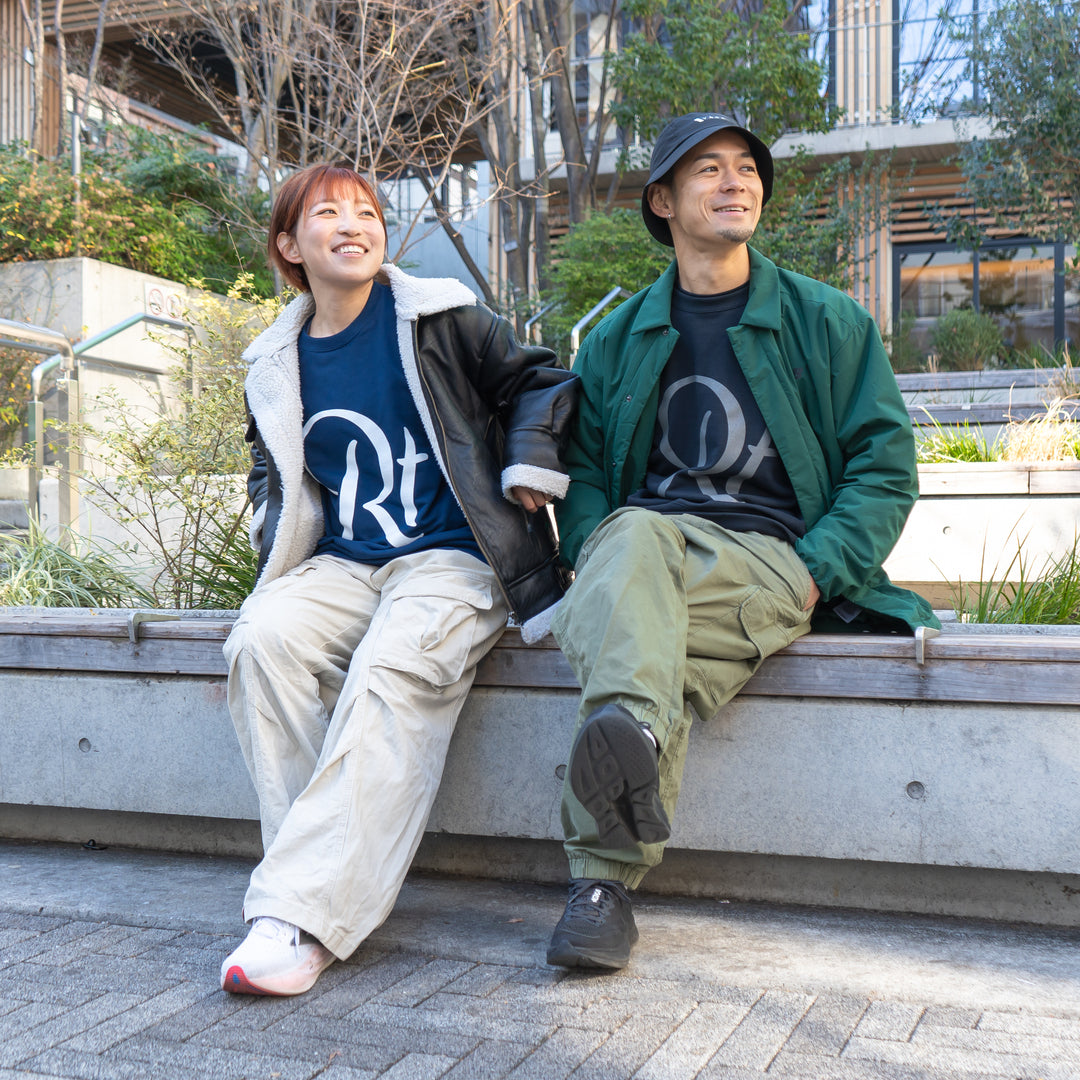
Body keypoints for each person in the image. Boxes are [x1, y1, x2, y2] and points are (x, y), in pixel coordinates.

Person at [544, 113, 938, 970]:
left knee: (634, 582)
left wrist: (815, 572)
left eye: (748, 170)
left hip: (769, 560)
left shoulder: (825, 321)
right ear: (662, 200)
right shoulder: (618, 339)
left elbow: (884, 467)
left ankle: (601, 871)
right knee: (640, 575)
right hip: (641, 555)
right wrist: (591, 553)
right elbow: (581, 481)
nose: (737, 183)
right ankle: (613, 841)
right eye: (709, 170)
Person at [219, 163, 578, 996]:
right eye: (328, 214)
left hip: (456, 555)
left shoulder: (438, 316)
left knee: (390, 670)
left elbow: (541, 380)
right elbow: (269, 468)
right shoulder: (275, 359)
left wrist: (530, 461)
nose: (354, 225)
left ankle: (297, 922)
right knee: (260, 642)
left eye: (368, 212)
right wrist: (273, 529)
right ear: (289, 245)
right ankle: (313, 896)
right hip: (346, 562)